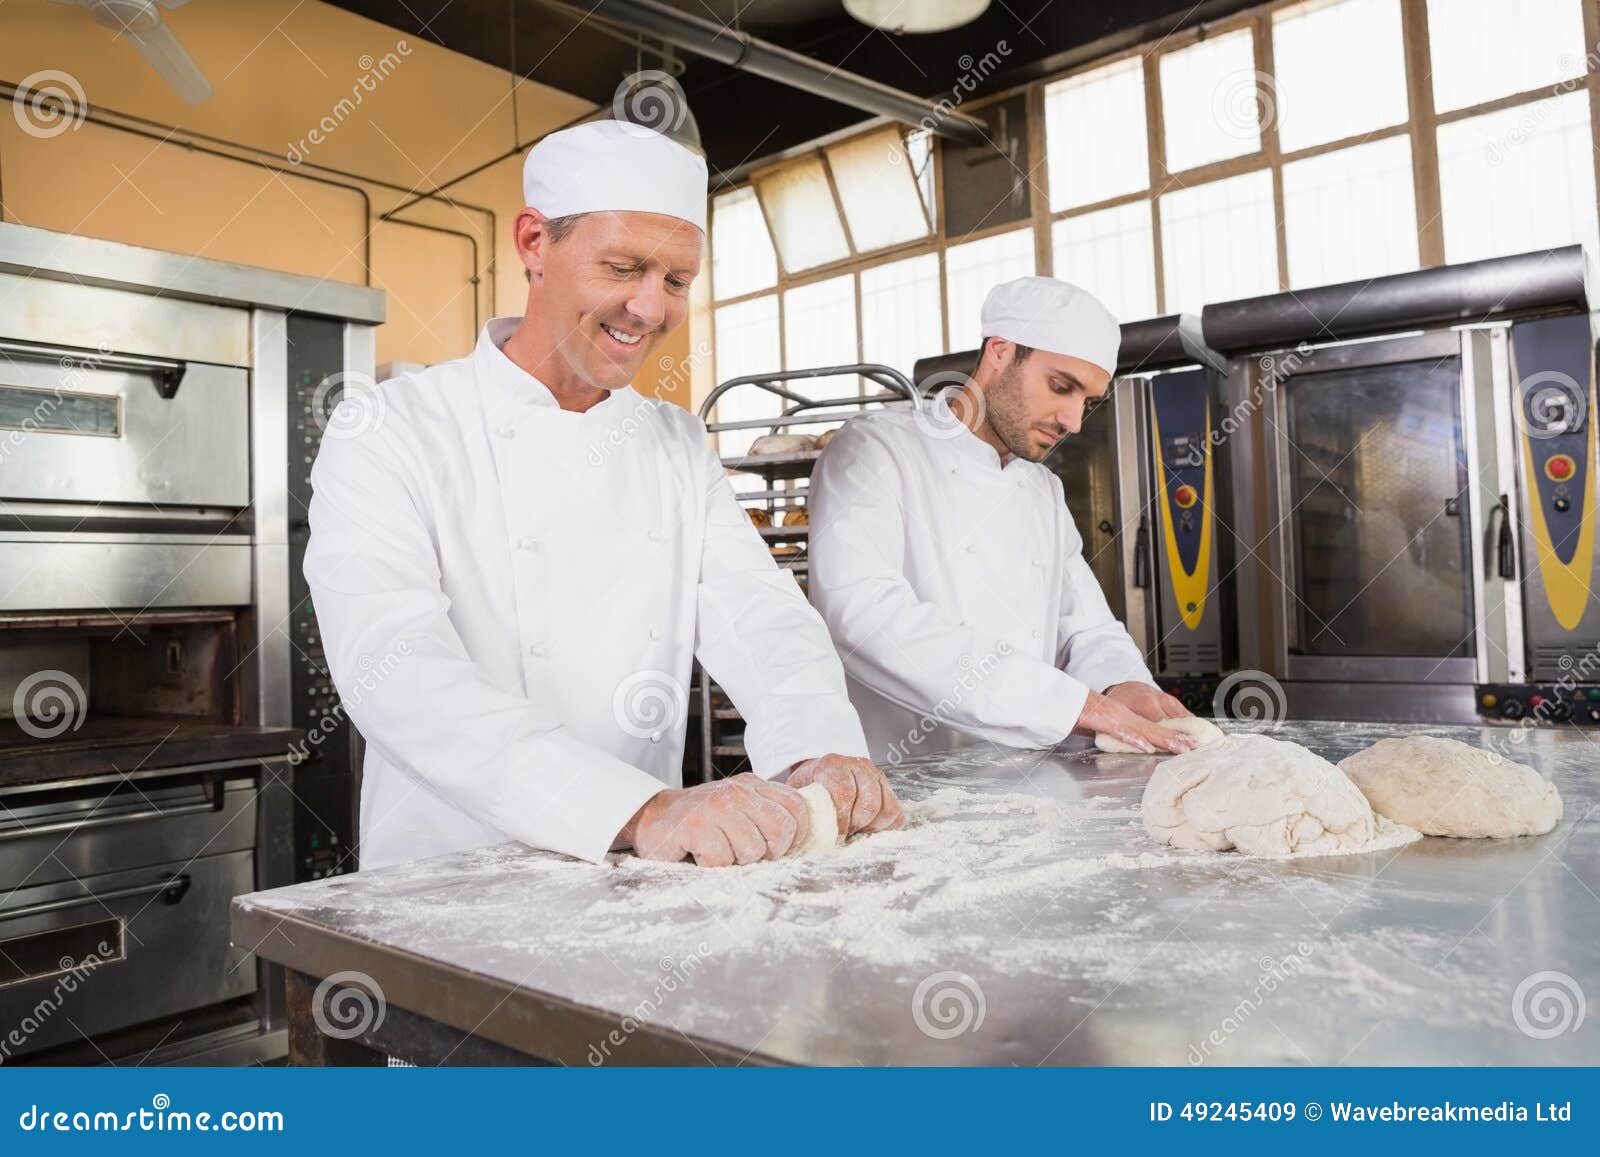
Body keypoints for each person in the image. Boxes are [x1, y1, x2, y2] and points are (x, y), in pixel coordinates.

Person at [305, 120, 902, 870]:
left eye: (678, 282)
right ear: (533, 244)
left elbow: (762, 616)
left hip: (630, 886)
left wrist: (819, 747)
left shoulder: (676, 444)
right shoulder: (393, 429)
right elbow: (396, 670)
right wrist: (639, 808)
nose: (651, 310)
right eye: (623, 269)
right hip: (448, 879)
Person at [807, 276, 1194, 765]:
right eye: (1061, 387)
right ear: (1000, 351)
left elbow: (1086, 625)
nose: (1073, 421)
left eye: (1087, 402)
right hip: (900, 775)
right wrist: (1071, 705)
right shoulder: (877, 449)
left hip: (1023, 780)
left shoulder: (1043, 490)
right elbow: (862, 614)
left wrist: (1125, 684)